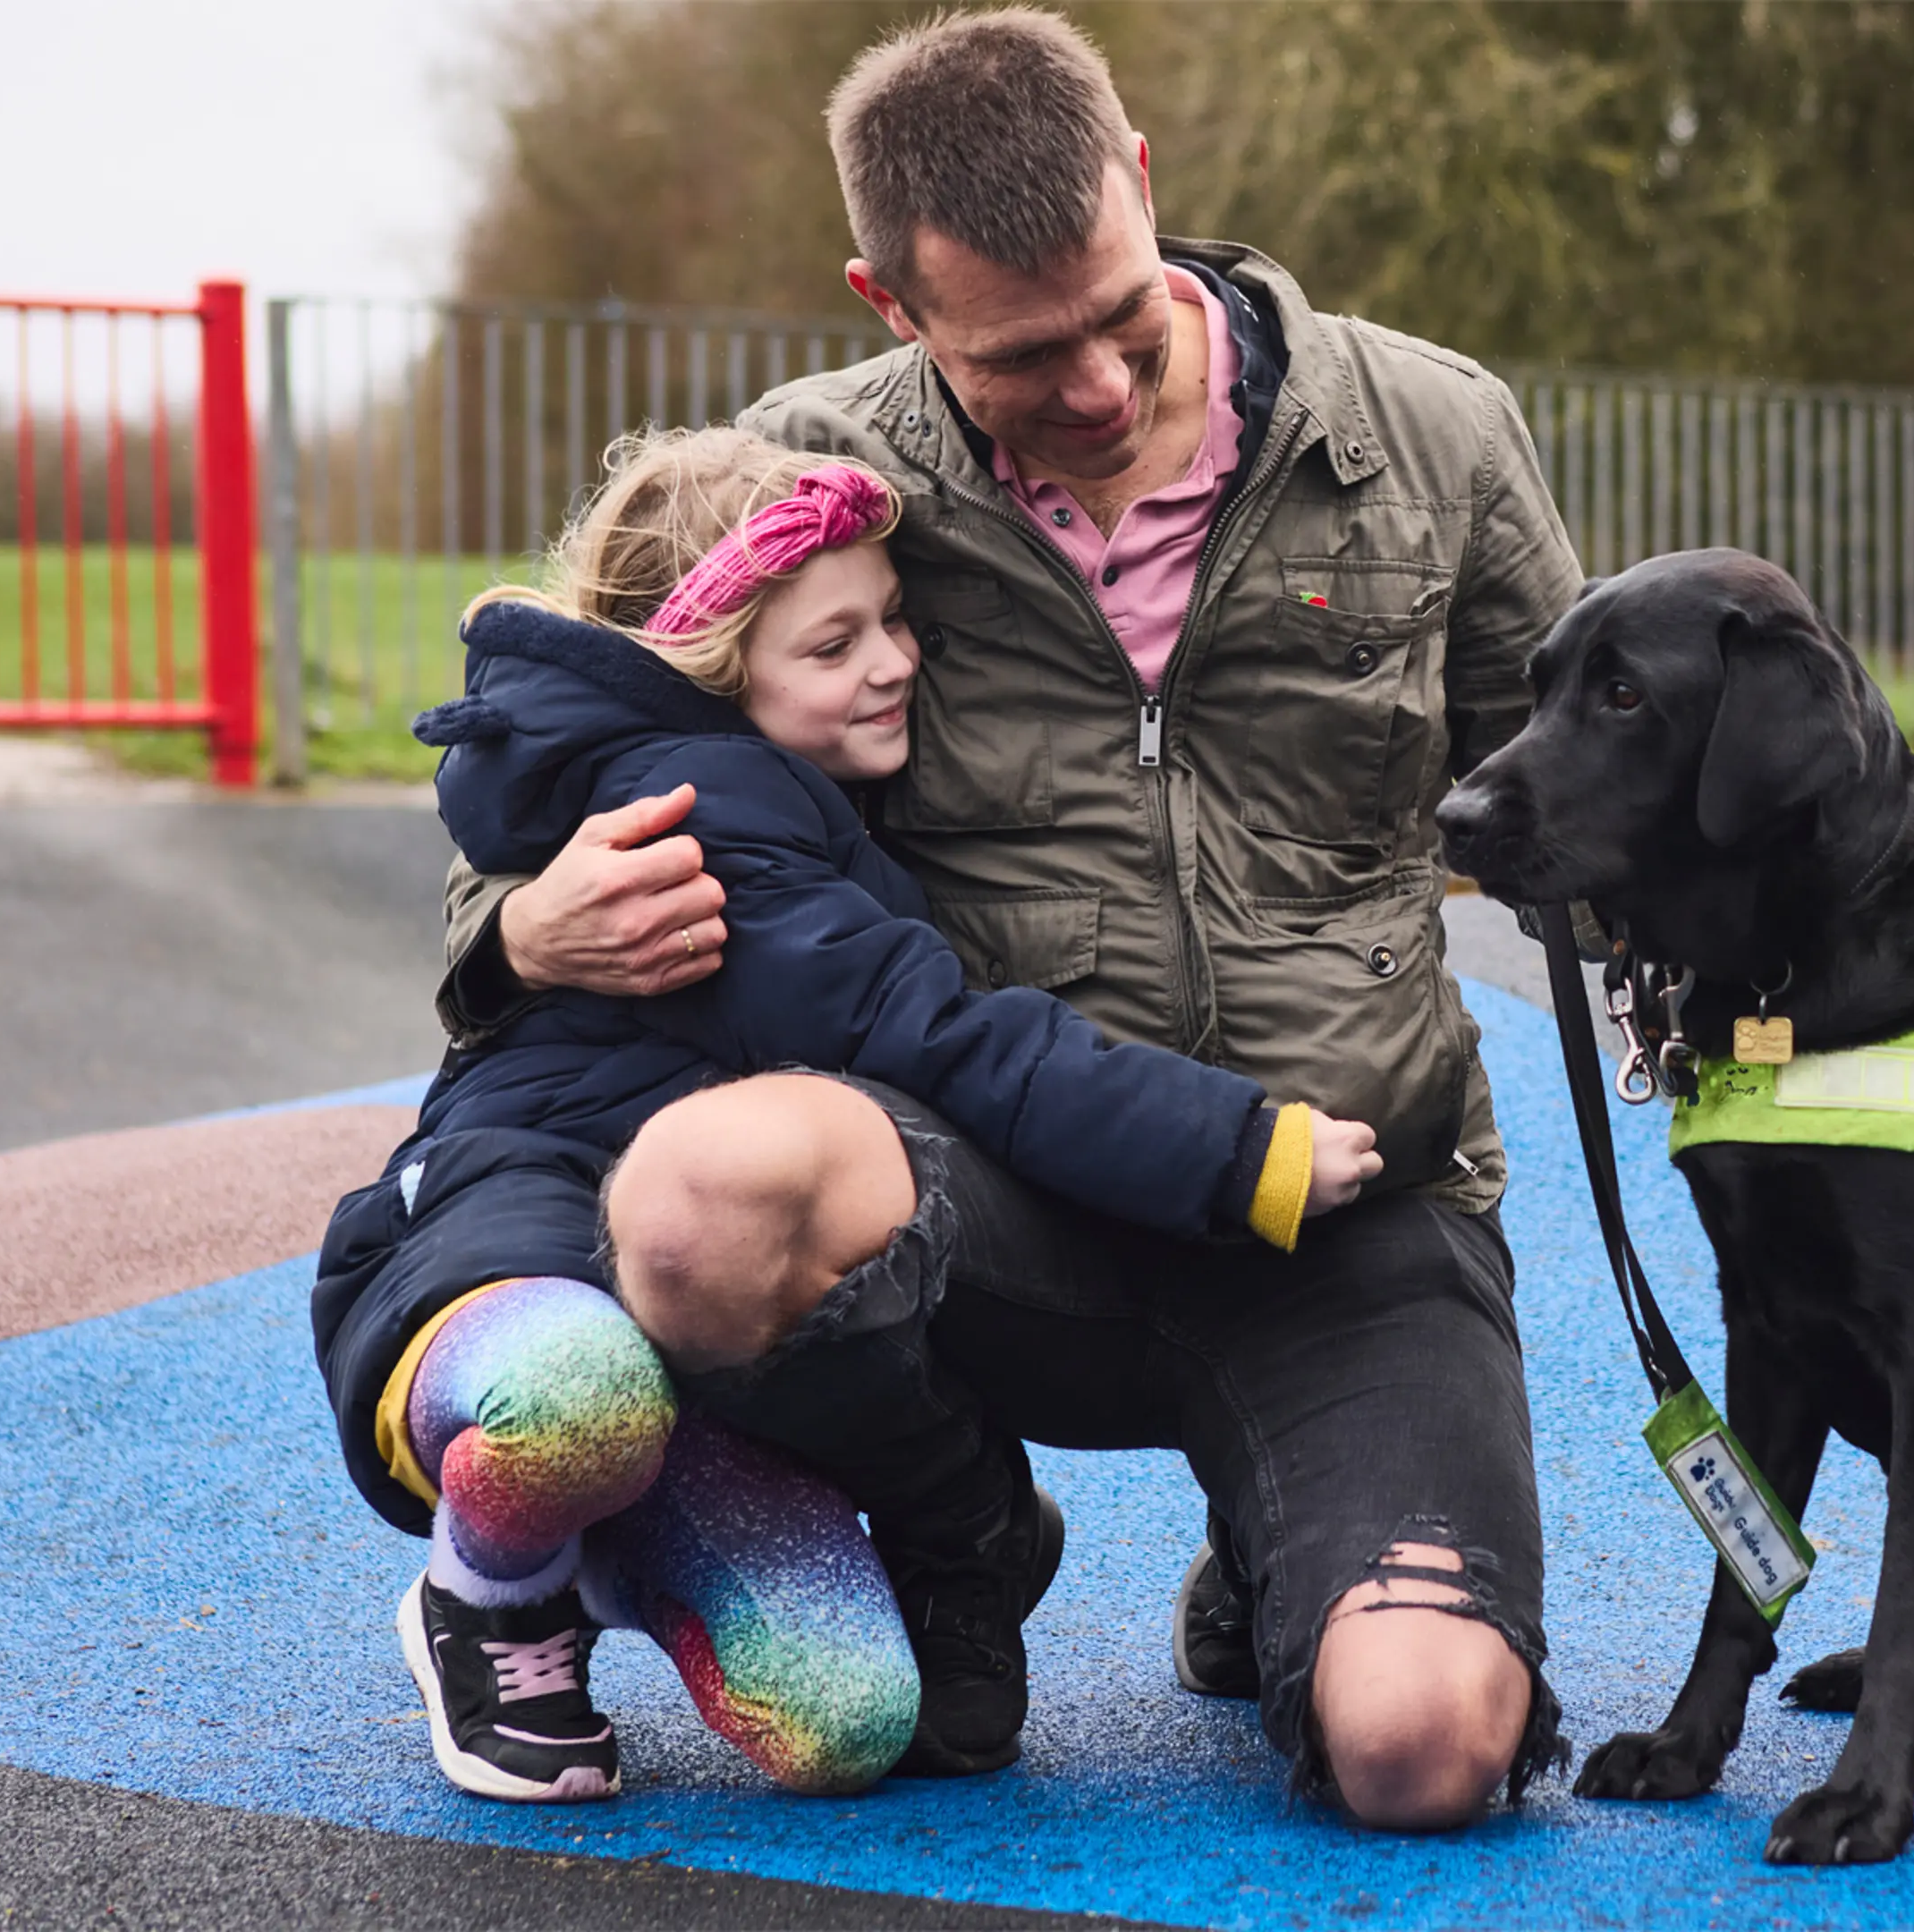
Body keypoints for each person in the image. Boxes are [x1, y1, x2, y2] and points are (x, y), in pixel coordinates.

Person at [437, 9, 1585, 1829]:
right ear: (889, 303)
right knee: (699, 1197)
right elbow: (570, 755)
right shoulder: (806, 490)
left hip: (1348, 1205)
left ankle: (1280, 1541)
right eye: (1021, 357)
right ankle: (966, 1526)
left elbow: (1603, 789)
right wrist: (516, 931)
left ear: (1142, 185)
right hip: (996, 1210)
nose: (1103, 394)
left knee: (1421, 1752)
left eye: (1124, 320)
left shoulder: (1431, 432)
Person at [313, 427, 1385, 1805]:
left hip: (676, 1332)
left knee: (846, 1728)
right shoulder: (717, 811)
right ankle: (494, 1593)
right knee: (581, 1395)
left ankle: (612, 1538)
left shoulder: (770, 781)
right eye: (833, 646)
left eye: (894, 621)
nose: (891, 661)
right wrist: (1240, 1149)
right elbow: (942, 1036)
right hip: (522, 1242)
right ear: (716, 668)